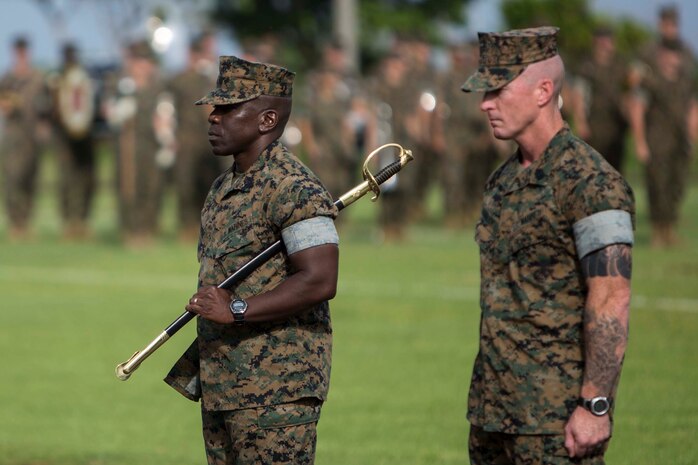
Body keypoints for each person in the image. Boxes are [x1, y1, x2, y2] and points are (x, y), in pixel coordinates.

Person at [461, 27, 635, 464]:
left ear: (543, 91)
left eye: (498, 91)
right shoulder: (501, 181)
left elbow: (612, 298)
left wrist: (596, 406)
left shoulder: (592, 182)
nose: (485, 103)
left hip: (554, 421)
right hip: (491, 412)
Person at [164, 56, 340, 465]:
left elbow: (319, 279)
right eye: (214, 107)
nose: (213, 117)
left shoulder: (295, 188)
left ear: (266, 120)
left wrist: (238, 309)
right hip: (225, 384)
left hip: (277, 394)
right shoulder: (223, 187)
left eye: (227, 108)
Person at [628, 7, 698, 248]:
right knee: (657, 182)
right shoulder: (647, 55)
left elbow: (693, 102)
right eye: (666, 23)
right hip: (657, 134)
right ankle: (659, 230)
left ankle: (670, 228)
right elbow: (635, 97)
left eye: (673, 23)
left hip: (680, 135)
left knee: (678, 182)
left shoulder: (688, 56)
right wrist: (639, 141)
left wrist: (693, 132)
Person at [168, 35, 222, 242]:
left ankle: (207, 227)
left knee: (209, 184)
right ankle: (187, 226)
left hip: (209, 141)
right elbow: (167, 108)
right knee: (185, 184)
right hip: (186, 139)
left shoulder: (211, 79)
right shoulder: (179, 80)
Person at [0, 36, 50, 240]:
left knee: (31, 179)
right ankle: (15, 222)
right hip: (14, 135)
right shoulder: (8, 79)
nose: (21, 55)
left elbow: (46, 106)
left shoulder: (38, 78)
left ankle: (26, 222)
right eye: (18, 51)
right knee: (13, 179)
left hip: (32, 136)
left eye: (24, 51)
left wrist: (44, 126)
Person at [49, 43, 97, 240]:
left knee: (86, 179)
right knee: (66, 180)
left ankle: (82, 221)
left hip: (85, 137)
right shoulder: (56, 79)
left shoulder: (83, 78)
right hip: (64, 139)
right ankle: (69, 221)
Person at [570, 26, 630, 173]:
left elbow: (628, 94)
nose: (606, 44)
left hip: (616, 129)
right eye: (602, 40)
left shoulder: (620, 65)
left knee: (616, 172)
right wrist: (581, 122)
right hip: (594, 127)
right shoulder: (587, 66)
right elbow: (578, 95)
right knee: (593, 171)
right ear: (595, 42)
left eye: (609, 40)